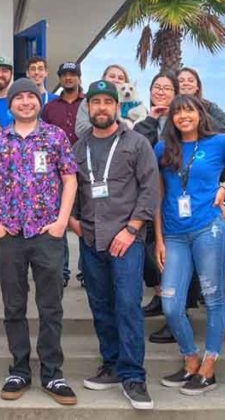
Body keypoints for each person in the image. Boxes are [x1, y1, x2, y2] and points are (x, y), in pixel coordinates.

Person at [154, 94, 225, 395]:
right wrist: (159, 239)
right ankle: (190, 359)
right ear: (172, 119)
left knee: (214, 298)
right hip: (175, 234)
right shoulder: (163, 148)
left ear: (200, 114)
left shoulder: (219, 142)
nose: (183, 117)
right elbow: (158, 195)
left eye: (189, 111)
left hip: (209, 230)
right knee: (170, 304)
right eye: (177, 113)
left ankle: (209, 368)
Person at [0, 78, 78, 406]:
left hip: (46, 234)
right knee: (13, 306)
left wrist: (62, 222)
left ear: (39, 101)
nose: (25, 102)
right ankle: (19, 369)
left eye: (30, 97)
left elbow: (69, 179)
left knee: (50, 305)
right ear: (9, 105)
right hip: (8, 235)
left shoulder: (55, 136)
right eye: (18, 98)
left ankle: (52, 372)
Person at [69, 80, 158, 410]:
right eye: (96, 102)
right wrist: (74, 223)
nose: (102, 107)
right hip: (91, 240)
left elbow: (150, 190)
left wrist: (132, 229)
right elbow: (71, 190)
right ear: (88, 108)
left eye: (108, 102)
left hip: (126, 241)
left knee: (127, 306)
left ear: (117, 107)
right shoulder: (78, 148)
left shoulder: (136, 144)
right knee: (101, 306)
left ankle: (134, 375)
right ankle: (111, 364)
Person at [132, 72, 182, 338]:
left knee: (174, 256)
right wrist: (152, 117)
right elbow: (137, 145)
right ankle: (160, 296)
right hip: (149, 195)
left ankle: (176, 315)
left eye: (167, 88)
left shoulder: (181, 119)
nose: (161, 91)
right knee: (152, 251)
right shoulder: (146, 119)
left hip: (175, 197)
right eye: (156, 87)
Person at [41, 61, 84, 287]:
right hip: (57, 173)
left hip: (86, 169)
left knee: (86, 219)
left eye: (72, 74)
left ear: (79, 77)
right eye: (65, 75)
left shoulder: (87, 104)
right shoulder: (50, 108)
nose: (69, 78)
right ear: (59, 78)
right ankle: (63, 271)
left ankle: (86, 272)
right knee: (60, 219)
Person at [176, 67, 225, 137]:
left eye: (190, 80)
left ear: (197, 87)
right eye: (181, 81)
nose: (186, 83)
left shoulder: (209, 107)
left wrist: (202, 116)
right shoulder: (169, 109)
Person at [76, 64, 130, 138]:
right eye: (112, 76)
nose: (116, 80)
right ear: (103, 78)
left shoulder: (135, 105)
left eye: (120, 78)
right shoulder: (88, 101)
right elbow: (80, 130)